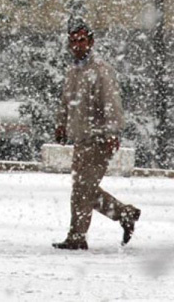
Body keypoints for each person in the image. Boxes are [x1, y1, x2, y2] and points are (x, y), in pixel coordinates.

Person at [52, 19, 140, 250]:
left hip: (99, 138)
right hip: (81, 138)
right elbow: (66, 102)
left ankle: (77, 236)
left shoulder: (100, 71)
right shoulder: (73, 71)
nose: (77, 45)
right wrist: (61, 125)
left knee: (82, 189)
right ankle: (124, 213)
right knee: (84, 189)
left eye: (81, 40)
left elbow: (111, 104)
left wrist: (111, 132)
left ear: (91, 42)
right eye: (73, 41)